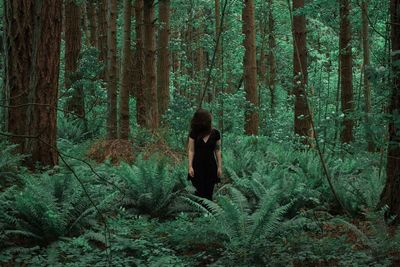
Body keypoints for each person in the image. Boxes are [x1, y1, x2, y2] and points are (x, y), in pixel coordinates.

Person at [187, 108, 222, 200]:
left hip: (211, 166)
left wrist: (219, 167)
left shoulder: (216, 133)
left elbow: (218, 150)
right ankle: (200, 212)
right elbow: (191, 150)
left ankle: (209, 212)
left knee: (209, 191)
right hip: (197, 166)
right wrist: (190, 166)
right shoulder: (194, 133)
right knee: (199, 191)